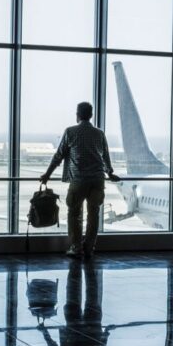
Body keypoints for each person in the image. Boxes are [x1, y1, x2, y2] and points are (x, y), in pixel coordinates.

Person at [41, 102, 119, 259]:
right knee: (94, 215)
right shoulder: (99, 133)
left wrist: (47, 174)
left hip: (79, 179)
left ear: (77, 114)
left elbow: (59, 156)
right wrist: (110, 173)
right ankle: (89, 248)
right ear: (91, 115)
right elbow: (105, 157)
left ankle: (76, 247)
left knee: (74, 213)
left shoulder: (70, 132)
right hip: (98, 180)